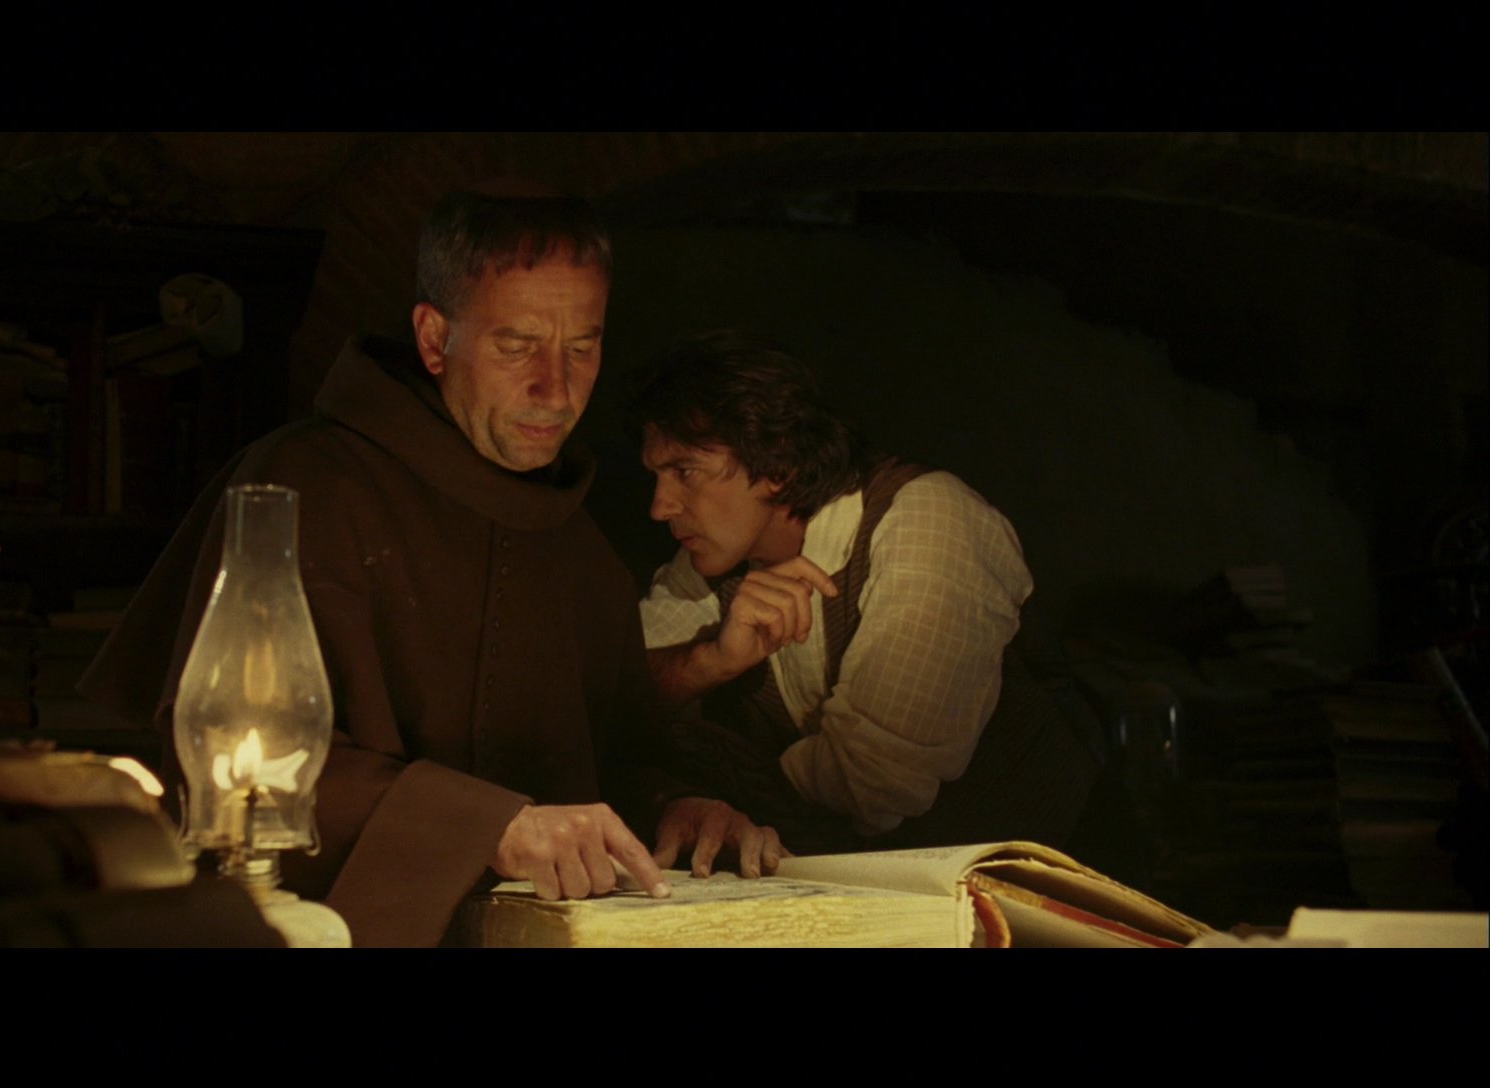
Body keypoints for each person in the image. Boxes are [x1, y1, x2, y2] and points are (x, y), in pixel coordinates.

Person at [79, 188, 783, 947]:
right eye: (518, 346)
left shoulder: (582, 547)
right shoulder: (300, 490)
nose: (556, 388)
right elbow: (226, 770)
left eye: (581, 347)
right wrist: (488, 826)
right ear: (435, 339)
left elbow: (612, 763)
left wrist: (676, 809)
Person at [628, 331, 1101, 854]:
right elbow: (604, 700)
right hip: (867, 890)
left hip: (1039, 878)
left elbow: (876, 785)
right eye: (657, 476)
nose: (660, 507)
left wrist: (710, 785)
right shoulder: (712, 557)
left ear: (777, 466)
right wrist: (708, 663)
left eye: (685, 471)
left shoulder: (928, 520)